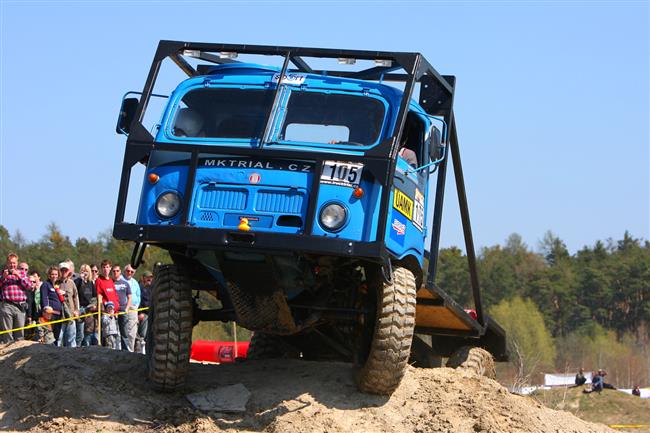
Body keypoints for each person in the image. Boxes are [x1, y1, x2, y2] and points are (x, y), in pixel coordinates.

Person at [0, 253, 31, 343]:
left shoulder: (22, 273)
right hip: (7, 305)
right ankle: (7, 354)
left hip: (20, 306)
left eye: (14, 263)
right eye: (10, 263)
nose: (12, 265)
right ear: (7, 263)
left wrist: (18, 276)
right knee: (7, 333)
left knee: (20, 333)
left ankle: (18, 353)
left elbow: (29, 286)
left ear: (17, 263)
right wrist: (3, 278)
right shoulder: (2, 273)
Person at [57, 262, 79, 347]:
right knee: (59, 338)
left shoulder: (71, 283)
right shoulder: (56, 283)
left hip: (71, 313)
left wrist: (77, 310)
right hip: (60, 315)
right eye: (62, 270)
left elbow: (76, 297)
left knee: (71, 338)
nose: (64, 272)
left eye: (65, 270)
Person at [40, 266, 64, 343]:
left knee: (57, 336)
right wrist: (46, 309)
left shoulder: (57, 285)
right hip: (50, 314)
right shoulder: (45, 284)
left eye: (56, 274)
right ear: (49, 275)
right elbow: (44, 297)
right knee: (49, 336)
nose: (54, 276)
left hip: (59, 314)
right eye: (52, 274)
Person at [112, 265, 131, 351]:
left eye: (117, 271)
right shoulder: (110, 283)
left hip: (123, 310)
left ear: (120, 272)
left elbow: (130, 297)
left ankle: (125, 350)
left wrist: (127, 308)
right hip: (112, 310)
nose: (115, 273)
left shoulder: (125, 283)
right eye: (114, 271)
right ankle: (114, 350)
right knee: (113, 333)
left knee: (124, 333)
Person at [75, 264, 95, 347]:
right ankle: (77, 348)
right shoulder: (78, 281)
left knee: (88, 332)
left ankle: (86, 348)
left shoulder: (91, 283)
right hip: (80, 309)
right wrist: (81, 279)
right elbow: (75, 291)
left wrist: (93, 305)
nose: (85, 273)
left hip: (89, 309)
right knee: (80, 333)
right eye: (83, 271)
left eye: (87, 271)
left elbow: (94, 295)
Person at [122, 264, 140, 352]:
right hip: (122, 307)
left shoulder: (135, 282)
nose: (129, 273)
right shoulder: (120, 280)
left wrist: (136, 306)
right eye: (128, 271)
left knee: (132, 332)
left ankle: (131, 351)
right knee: (122, 331)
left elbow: (138, 295)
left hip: (133, 309)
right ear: (124, 271)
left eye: (132, 272)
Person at [135, 271, 153, 354]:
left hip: (152, 314)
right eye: (147, 277)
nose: (149, 279)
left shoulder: (152, 288)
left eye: (151, 277)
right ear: (143, 278)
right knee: (142, 335)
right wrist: (140, 312)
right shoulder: (140, 287)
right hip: (143, 314)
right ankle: (139, 350)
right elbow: (138, 301)